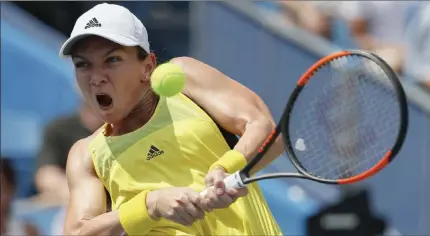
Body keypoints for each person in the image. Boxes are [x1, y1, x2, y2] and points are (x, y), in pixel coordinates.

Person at [60, 3, 284, 236]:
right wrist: (150, 205)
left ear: (148, 66)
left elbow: (268, 133)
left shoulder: (185, 80)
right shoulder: (86, 155)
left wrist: (226, 168)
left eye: (112, 60)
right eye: (83, 64)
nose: (96, 78)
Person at [35, 102, 102, 204]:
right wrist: (78, 193)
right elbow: (45, 175)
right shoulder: (59, 129)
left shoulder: (127, 129)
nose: (97, 86)